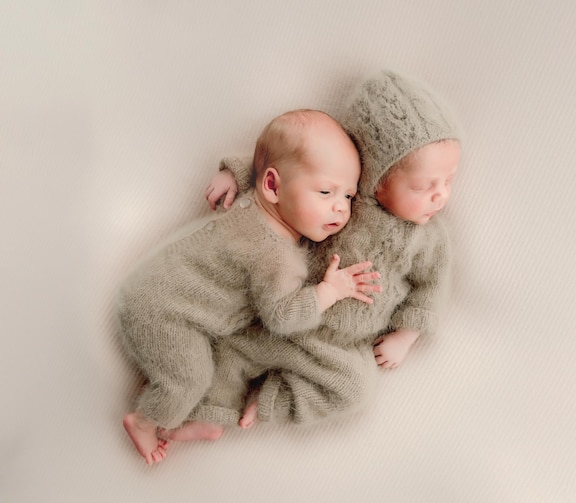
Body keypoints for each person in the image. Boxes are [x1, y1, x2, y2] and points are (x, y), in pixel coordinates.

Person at [164, 70, 462, 438]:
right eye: (425, 185)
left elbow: (431, 287)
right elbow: (293, 169)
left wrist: (407, 335)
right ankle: (210, 411)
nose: (441, 196)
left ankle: (272, 398)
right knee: (233, 348)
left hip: (337, 346)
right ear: (377, 178)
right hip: (291, 306)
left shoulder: (428, 239)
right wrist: (238, 174)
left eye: (449, 181)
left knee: (356, 389)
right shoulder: (345, 197)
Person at [118, 109, 382, 465]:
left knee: (200, 367)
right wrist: (329, 292)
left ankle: (195, 415)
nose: (340, 207)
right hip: (162, 314)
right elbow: (282, 317)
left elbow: (268, 167)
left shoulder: (258, 205)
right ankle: (146, 421)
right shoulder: (275, 258)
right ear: (273, 187)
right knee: (188, 381)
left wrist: (233, 171)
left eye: (348, 196)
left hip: (160, 290)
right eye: (325, 191)